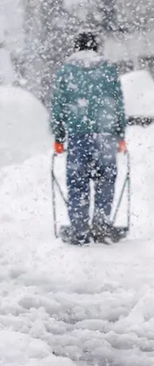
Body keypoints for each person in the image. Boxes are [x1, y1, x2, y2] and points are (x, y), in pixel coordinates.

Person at [51, 31, 127, 245]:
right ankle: (102, 227)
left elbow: (58, 106)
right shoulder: (108, 69)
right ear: (96, 47)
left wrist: (59, 136)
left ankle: (79, 230)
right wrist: (120, 134)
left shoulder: (66, 71)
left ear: (77, 47)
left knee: (77, 183)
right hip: (106, 136)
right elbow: (117, 103)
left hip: (78, 135)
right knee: (105, 181)